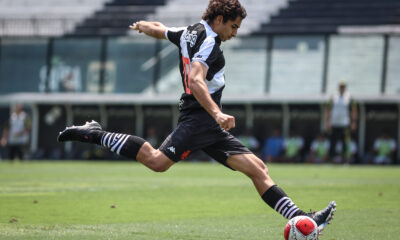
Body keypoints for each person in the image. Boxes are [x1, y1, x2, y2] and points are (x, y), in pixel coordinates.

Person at [57, 0, 335, 230]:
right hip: (200, 119)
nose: (235, 33)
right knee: (156, 161)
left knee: (258, 168)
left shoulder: (189, 31)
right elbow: (196, 80)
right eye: (234, 26)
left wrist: (143, 25)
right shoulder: (209, 43)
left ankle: (304, 219)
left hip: (205, 122)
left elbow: (161, 30)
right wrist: (217, 112)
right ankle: (95, 133)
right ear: (220, 19)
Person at [325, 81, 357, 163]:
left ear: (345, 87)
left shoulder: (349, 97)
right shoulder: (333, 96)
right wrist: (327, 121)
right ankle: (330, 160)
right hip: (334, 123)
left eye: (343, 86)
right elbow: (328, 109)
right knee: (332, 142)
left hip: (345, 123)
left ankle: (345, 160)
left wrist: (353, 122)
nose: (342, 88)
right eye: (340, 86)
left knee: (345, 142)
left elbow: (354, 110)